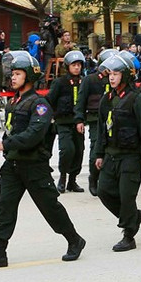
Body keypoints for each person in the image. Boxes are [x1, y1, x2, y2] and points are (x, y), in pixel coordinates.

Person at [0, 52, 86, 268]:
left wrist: (6, 144)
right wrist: (3, 144)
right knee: (4, 208)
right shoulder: (13, 103)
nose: (12, 78)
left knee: (50, 206)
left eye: (17, 74)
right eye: (12, 74)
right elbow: (10, 130)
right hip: (13, 165)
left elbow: (35, 134)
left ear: (30, 76)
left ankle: (74, 240)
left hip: (34, 165)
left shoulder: (39, 103)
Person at [93, 53, 141, 252]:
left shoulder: (137, 99)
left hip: (130, 156)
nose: (112, 77)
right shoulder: (106, 99)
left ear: (126, 75)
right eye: (110, 74)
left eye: (116, 74)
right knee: (103, 191)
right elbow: (101, 128)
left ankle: (128, 235)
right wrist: (99, 154)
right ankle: (134, 217)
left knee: (126, 195)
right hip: (111, 154)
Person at [74, 49, 117, 196]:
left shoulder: (117, 80)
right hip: (95, 119)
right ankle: (93, 178)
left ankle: (108, 179)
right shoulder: (90, 80)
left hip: (114, 118)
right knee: (96, 149)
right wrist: (79, 119)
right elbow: (81, 101)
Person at [45, 49, 86, 193]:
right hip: (63, 122)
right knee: (67, 149)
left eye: (79, 65)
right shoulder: (59, 82)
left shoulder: (84, 82)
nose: (77, 67)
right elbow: (49, 100)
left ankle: (73, 180)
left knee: (79, 151)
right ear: (68, 66)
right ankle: (62, 177)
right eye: (74, 65)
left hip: (79, 122)